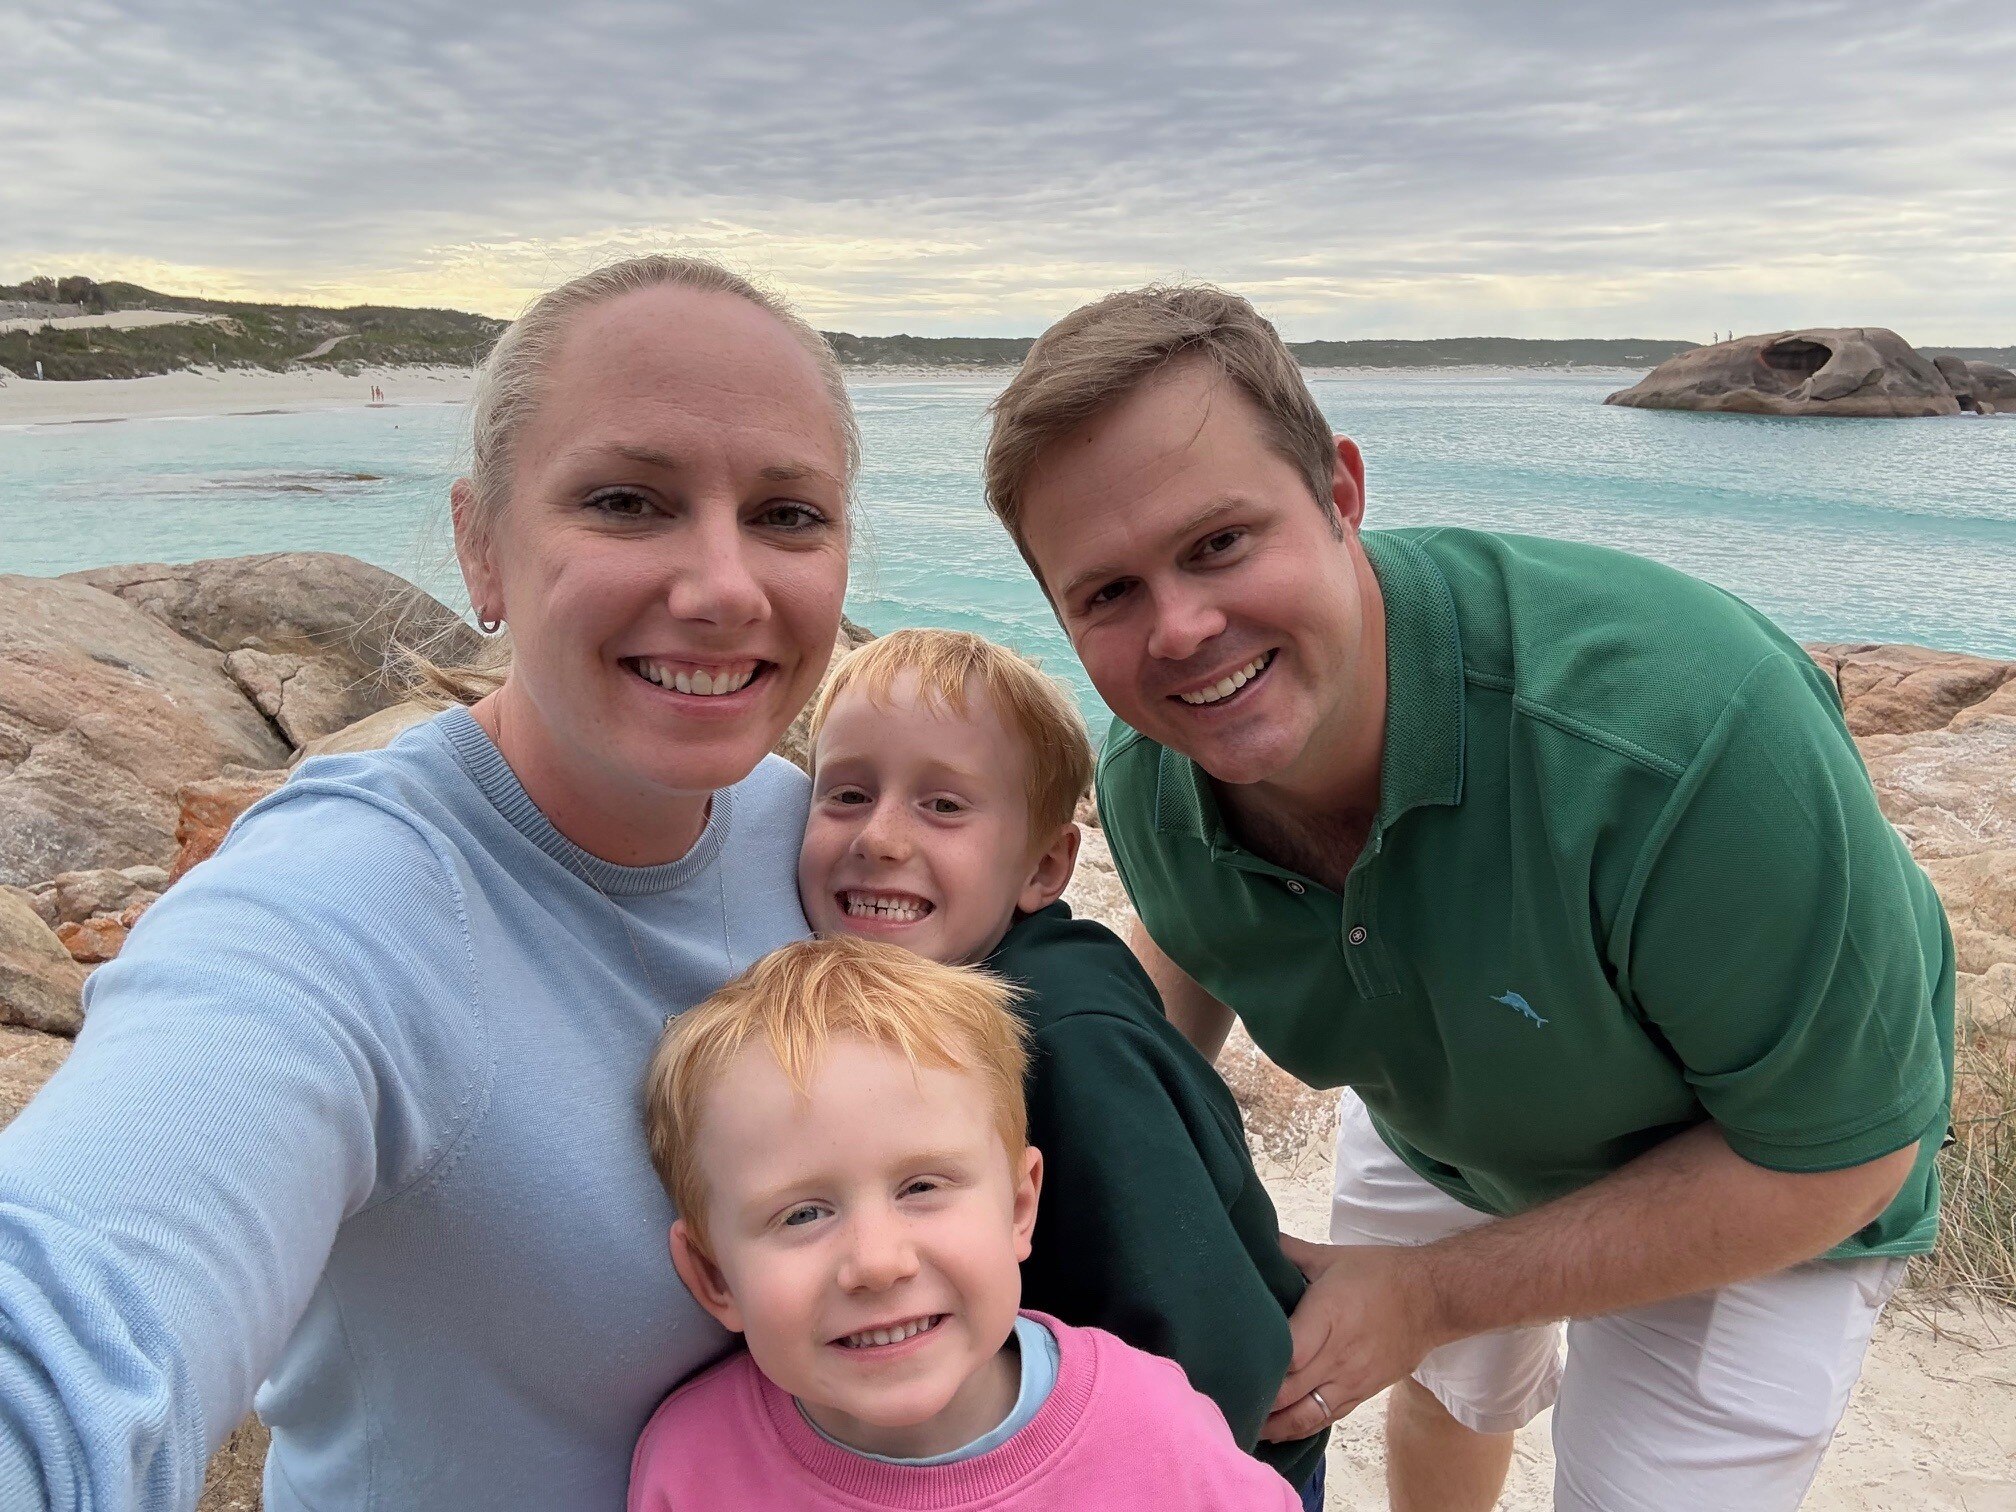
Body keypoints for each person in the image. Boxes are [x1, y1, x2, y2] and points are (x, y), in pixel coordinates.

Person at [982, 283, 1954, 1512]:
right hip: (1462, 1078)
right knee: (1449, 1394)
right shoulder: (1159, 776)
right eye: (1107, 593)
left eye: (1219, 542)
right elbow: (1186, 938)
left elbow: (1842, 1158)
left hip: (1758, 1165)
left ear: (1340, 493)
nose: (1182, 631)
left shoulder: (1684, 740)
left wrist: (1432, 1292)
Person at [0, 255, 859, 1509]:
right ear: (481, 548)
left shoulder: (819, 841)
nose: (725, 586)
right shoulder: (352, 895)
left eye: (789, 515)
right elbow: (75, 1329)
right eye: (627, 501)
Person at [794, 628, 1329, 1501]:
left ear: (1044, 865)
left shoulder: (1064, 1037)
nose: (882, 838)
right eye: (847, 794)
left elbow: (1211, 1352)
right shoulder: (960, 985)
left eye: (944, 807)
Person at [632, 935, 1301, 1509]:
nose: (877, 1261)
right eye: (803, 1213)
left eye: (921, 1186)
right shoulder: (690, 1471)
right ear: (714, 1276)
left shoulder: (1158, 1434)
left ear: (1018, 1206)